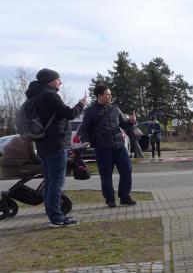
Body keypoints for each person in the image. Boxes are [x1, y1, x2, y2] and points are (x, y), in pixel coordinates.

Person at [22, 68, 87, 226]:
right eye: (58, 79)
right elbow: (69, 114)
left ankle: (54, 216)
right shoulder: (49, 95)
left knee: (50, 182)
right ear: (50, 80)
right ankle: (57, 218)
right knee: (56, 183)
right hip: (56, 144)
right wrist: (81, 104)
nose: (60, 82)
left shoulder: (34, 96)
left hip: (43, 144)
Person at [80, 84, 137, 208]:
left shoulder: (115, 108)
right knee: (106, 175)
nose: (110, 96)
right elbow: (84, 128)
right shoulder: (90, 111)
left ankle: (124, 196)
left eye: (110, 94)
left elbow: (123, 124)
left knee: (127, 169)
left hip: (119, 145)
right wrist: (85, 140)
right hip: (102, 148)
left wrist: (131, 122)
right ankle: (110, 199)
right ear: (99, 95)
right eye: (107, 94)